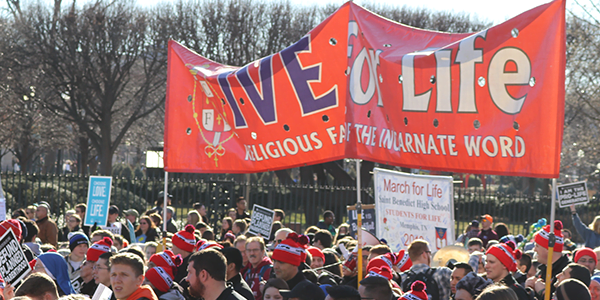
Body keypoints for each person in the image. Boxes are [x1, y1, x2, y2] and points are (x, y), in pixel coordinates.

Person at [526, 220, 570, 300]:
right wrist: (529, 291)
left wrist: (543, 292)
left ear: (548, 249)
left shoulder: (567, 272)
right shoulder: (542, 268)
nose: (534, 249)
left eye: (537, 246)